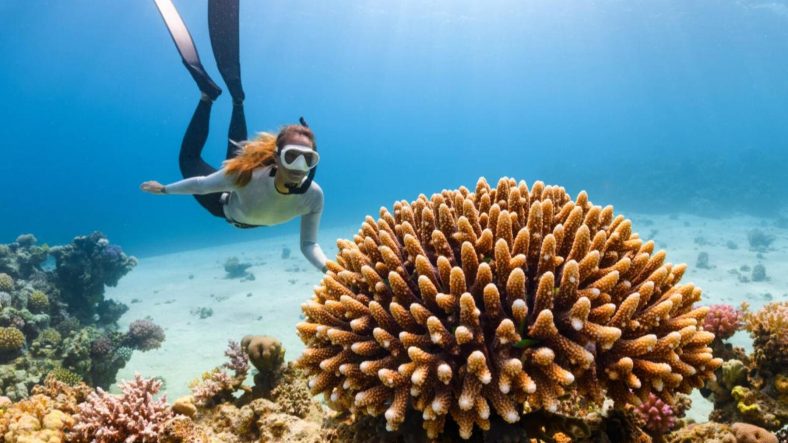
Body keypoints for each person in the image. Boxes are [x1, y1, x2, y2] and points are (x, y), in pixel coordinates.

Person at [141, 0, 328, 272]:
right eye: (292, 157)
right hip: (224, 204)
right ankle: (213, 98)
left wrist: (330, 270)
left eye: (307, 160)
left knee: (239, 155)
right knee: (194, 159)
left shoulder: (314, 196)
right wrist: (165, 190)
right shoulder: (248, 176)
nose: (299, 169)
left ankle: (226, 98)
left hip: (239, 207)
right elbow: (204, 185)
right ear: (277, 158)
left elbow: (309, 244)